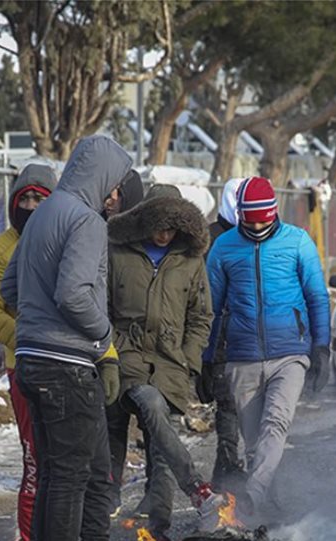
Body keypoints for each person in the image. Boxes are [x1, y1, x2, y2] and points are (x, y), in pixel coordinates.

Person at [0, 135, 131, 541]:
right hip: (67, 366)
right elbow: (73, 294)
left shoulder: (42, 215)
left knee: (60, 475)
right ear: (101, 177)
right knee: (73, 479)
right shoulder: (86, 220)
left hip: (31, 361)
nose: (114, 194)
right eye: (114, 184)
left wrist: (36, 321)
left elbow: (9, 289)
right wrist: (104, 332)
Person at [204, 176, 330, 521]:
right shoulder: (224, 248)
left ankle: (251, 500)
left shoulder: (298, 242)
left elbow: (317, 296)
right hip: (241, 356)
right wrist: (205, 358)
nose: (257, 225)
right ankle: (265, 507)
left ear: (273, 212)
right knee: (254, 439)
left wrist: (321, 346)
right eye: (250, 219)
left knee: (275, 423)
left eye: (263, 218)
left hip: (290, 352)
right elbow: (210, 309)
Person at [105, 188, 221, 539]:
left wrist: (188, 359)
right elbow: (102, 306)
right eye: (158, 225)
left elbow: (202, 316)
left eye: (172, 228)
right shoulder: (118, 253)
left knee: (160, 447)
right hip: (126, 356)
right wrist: (111, 348)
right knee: (142, 414)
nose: (164, 234)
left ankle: (160, 529)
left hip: (171, 362)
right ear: (142, 219)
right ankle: (198, 489)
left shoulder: (190, 260)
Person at [0, 163, 57, 541]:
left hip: (71, 370)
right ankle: (28, 535)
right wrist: (30, 338)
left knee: (69, 466)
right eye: (27, 198)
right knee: (35, 463)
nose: (35, 206)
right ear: (14, 203)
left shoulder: (67, 242)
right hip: (23, 368)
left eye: (43, 198)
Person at [198, 178, 246, 494]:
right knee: (230, 413)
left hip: (253, 340)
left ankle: (229, 483)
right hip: (221, 343)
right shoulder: (210, 240)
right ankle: (228, 484)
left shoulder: (259, 237)